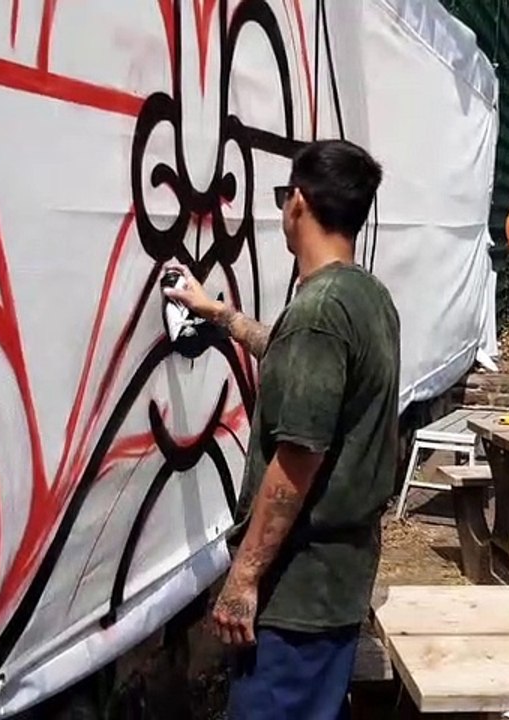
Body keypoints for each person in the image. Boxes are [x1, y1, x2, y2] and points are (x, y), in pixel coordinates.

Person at [164, 138, 401, 720]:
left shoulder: (319, 315)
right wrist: (221, 316)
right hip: (337, 585)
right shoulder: (366, 297)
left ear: (297, 202)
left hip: (298, 593)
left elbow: (298, 458)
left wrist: (244, 580)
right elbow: (301, 360)